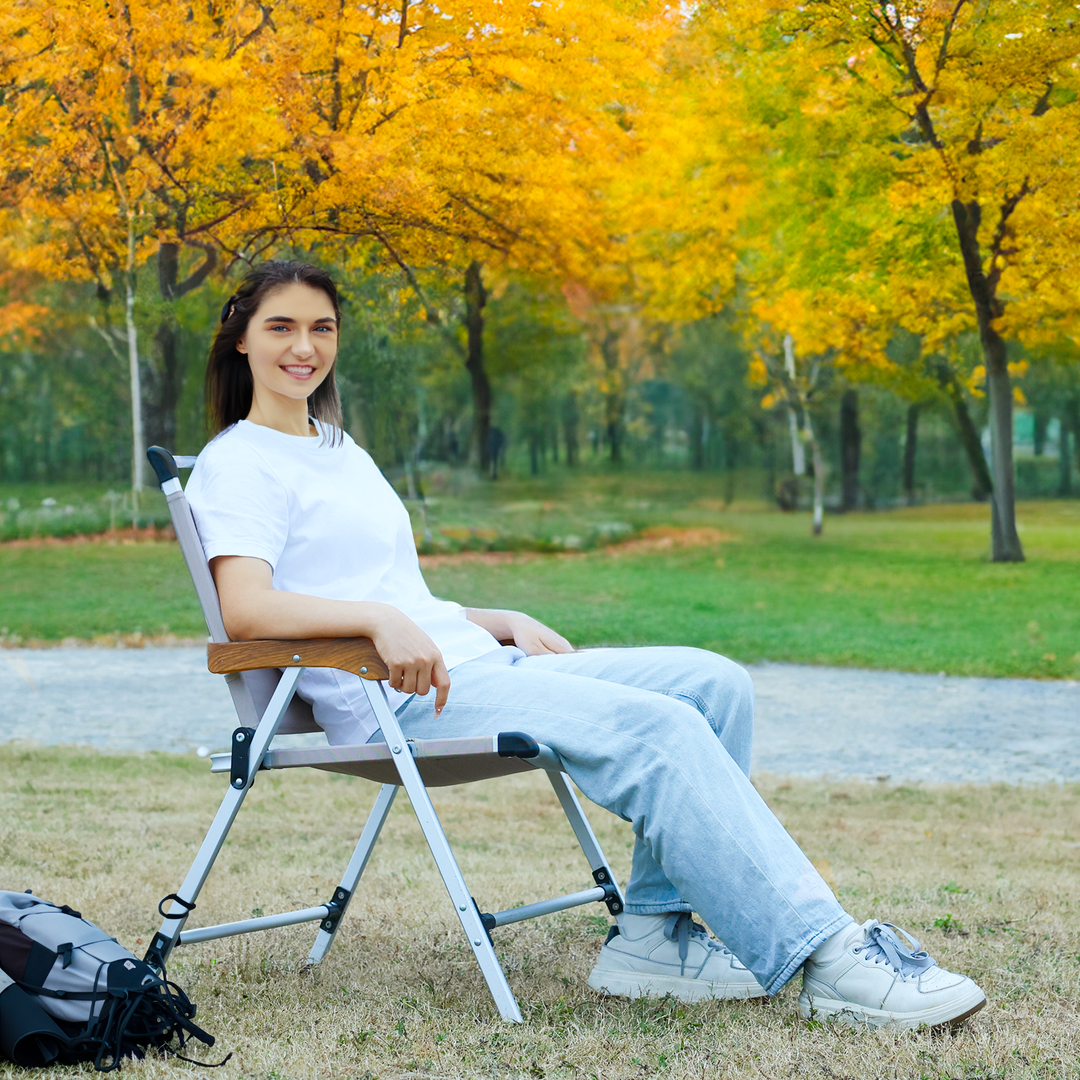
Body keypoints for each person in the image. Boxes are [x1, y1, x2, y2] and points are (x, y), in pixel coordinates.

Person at [185, 260, 986, 1030]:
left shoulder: (336, 447)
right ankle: (831, 957)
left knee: (713, 684)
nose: (304, 347)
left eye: (321, 328)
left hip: (470, 659)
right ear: (241, 339)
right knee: (660, 726)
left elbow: (394, 592)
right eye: (281, 327)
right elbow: (247, 609)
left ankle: (653, 940)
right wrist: (374, 622)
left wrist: (490, 616)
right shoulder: (238, 461)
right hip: (401, 699)